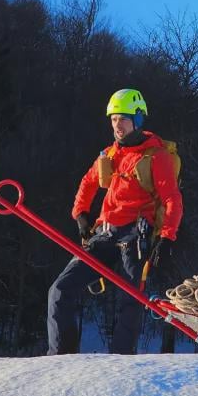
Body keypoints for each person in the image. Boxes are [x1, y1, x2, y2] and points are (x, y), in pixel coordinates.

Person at [47, 88, 183, 354]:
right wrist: (81, 214)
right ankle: (59, 358)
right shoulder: (110, 154)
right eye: (112, 119)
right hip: (105, 235)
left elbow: (172, 200)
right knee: (60, 290)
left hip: (136, 238)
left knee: (130, 300)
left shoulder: (157, 157)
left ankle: (120, 364)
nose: (116, 125)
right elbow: (87, 182)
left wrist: (167, 237)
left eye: (122, 118)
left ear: (137, 120)